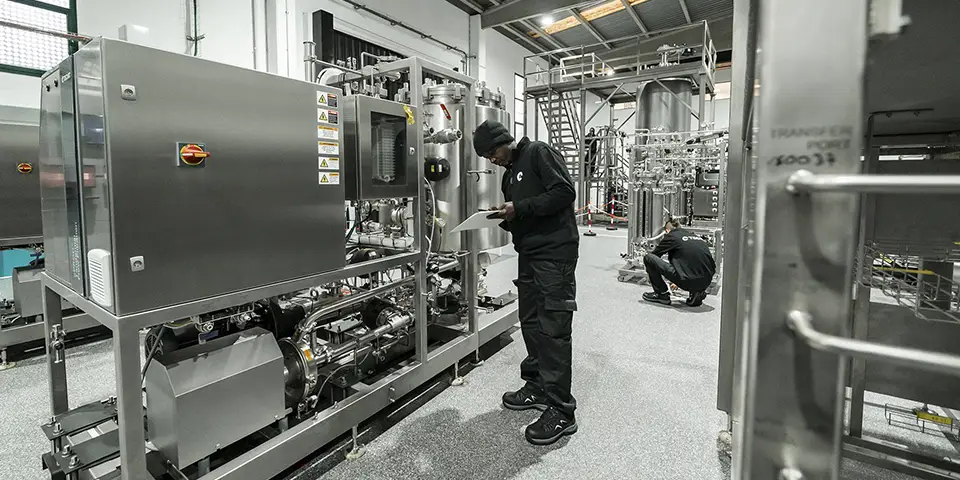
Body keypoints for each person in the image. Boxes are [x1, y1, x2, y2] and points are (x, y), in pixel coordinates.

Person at [473, 119, 580, 446]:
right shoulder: (508, 177)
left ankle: (562, 410)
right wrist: (503, 217)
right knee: (531, 323)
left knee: (553, 327)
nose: (493, 159)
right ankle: (536, 385)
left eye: (493, 151)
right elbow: (526, 218)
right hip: (530, 255)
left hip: (554, 255)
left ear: (505, 140)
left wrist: (519, 208)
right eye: (487, 157)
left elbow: (564, 192)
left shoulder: (537, 152)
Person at [642, 217, 716, 307]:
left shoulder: (671, 236)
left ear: (667, 230)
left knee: (648, 258)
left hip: (687, 281)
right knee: (692, 263)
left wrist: (654, 277)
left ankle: (661, 294)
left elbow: (655, 256)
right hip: (706, 281)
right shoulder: (695, 237)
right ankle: (697, 292)